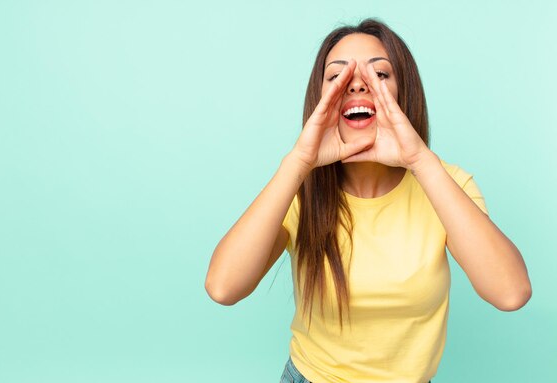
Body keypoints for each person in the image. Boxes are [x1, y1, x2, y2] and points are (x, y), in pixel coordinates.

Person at [204, 17, 532, 383]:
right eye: (337, 77)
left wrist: (420, 160)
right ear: (320, 99)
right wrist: (299, 162)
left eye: (379, 74)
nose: (358, 83)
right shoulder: (299, 189)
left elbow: (510, 292)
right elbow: (223, 287)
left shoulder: (446, 184)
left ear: (403, 92)